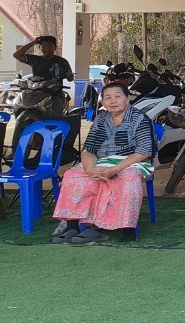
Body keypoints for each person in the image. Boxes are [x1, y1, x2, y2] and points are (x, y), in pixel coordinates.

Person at [51, 82, 154, 244]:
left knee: (127, 178)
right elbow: (89, 149)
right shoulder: (101, 119)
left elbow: (143, 152)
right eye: (108, 98)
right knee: (73, 175)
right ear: (103, 102)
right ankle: (73, 226)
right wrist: (90, 168)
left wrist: (116, 169)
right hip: (103, 161)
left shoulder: (139, 118)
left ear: (127, 98)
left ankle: (127, 228)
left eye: (118, 96)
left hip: (133, 162)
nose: (113, 101)